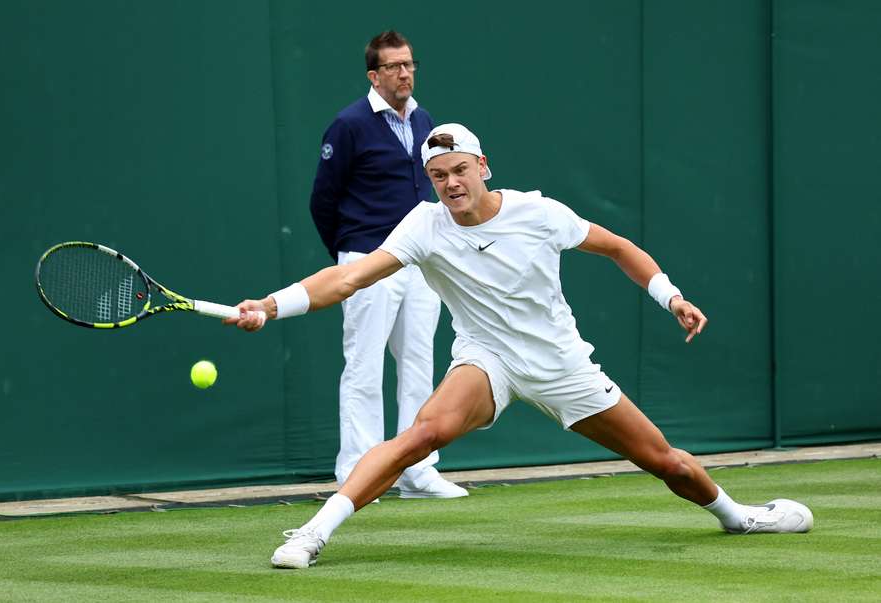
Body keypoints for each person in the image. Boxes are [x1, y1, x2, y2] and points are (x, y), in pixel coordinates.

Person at [228, 123, 814, 570]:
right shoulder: (423, 225)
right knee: (422, 435)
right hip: (488, 357)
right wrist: (271, 305)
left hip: (560, 364)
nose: (451, 184)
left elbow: (618, 247)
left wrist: (671, 297)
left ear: (482, 165)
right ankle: (313, 533)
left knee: (664, 462)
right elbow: (350, 277)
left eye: (459, 170)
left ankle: (739, 518)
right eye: (438, 175)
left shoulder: (540, 214)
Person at [308, 31, 465, 499]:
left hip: (421, 264)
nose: (405, 73)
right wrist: (349, 253)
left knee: (419, 364)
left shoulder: (426, 122)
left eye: (410, 65)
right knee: (363, 365)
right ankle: (357, 473)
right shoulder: (349, 125)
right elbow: (323, 199)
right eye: (394, 67)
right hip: (367, 259)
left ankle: (417, 471)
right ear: (374, 76)